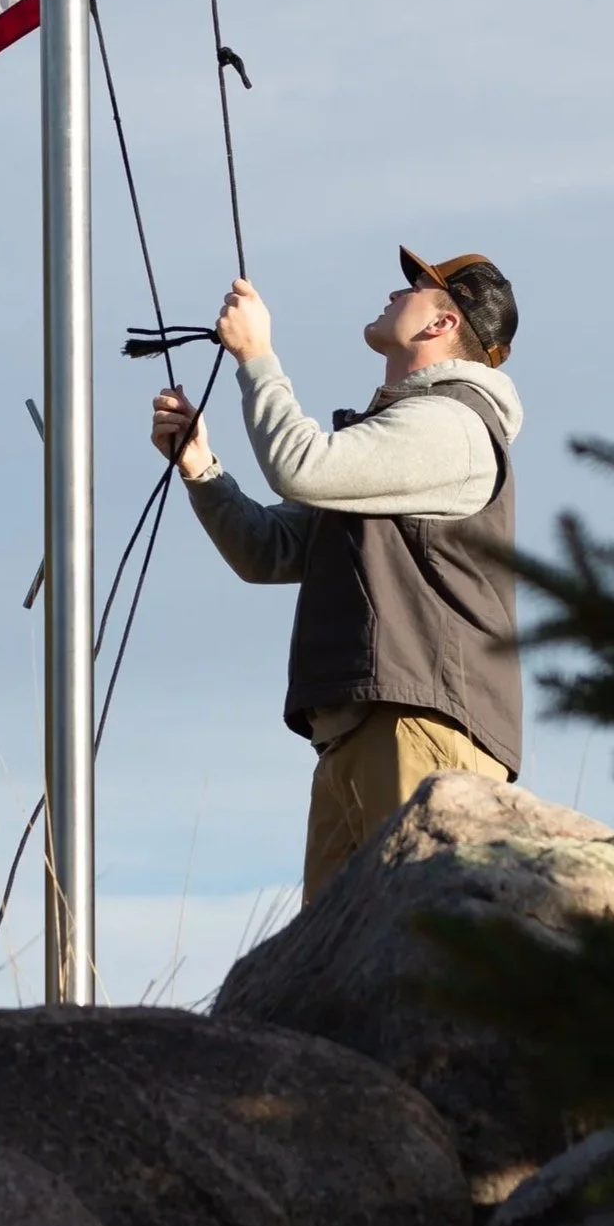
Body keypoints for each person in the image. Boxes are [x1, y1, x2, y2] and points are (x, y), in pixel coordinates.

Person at [152, 249, 522, 903]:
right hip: (367, 730)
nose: (393, 290)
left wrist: (257, 357)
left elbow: (301, 465)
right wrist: (202, 469)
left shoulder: (455, 423)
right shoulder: (399, 435)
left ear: (441, 323)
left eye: (415, 287)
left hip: (419, 726)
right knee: (332, 972)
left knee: (409, 950)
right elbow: (269, 549)